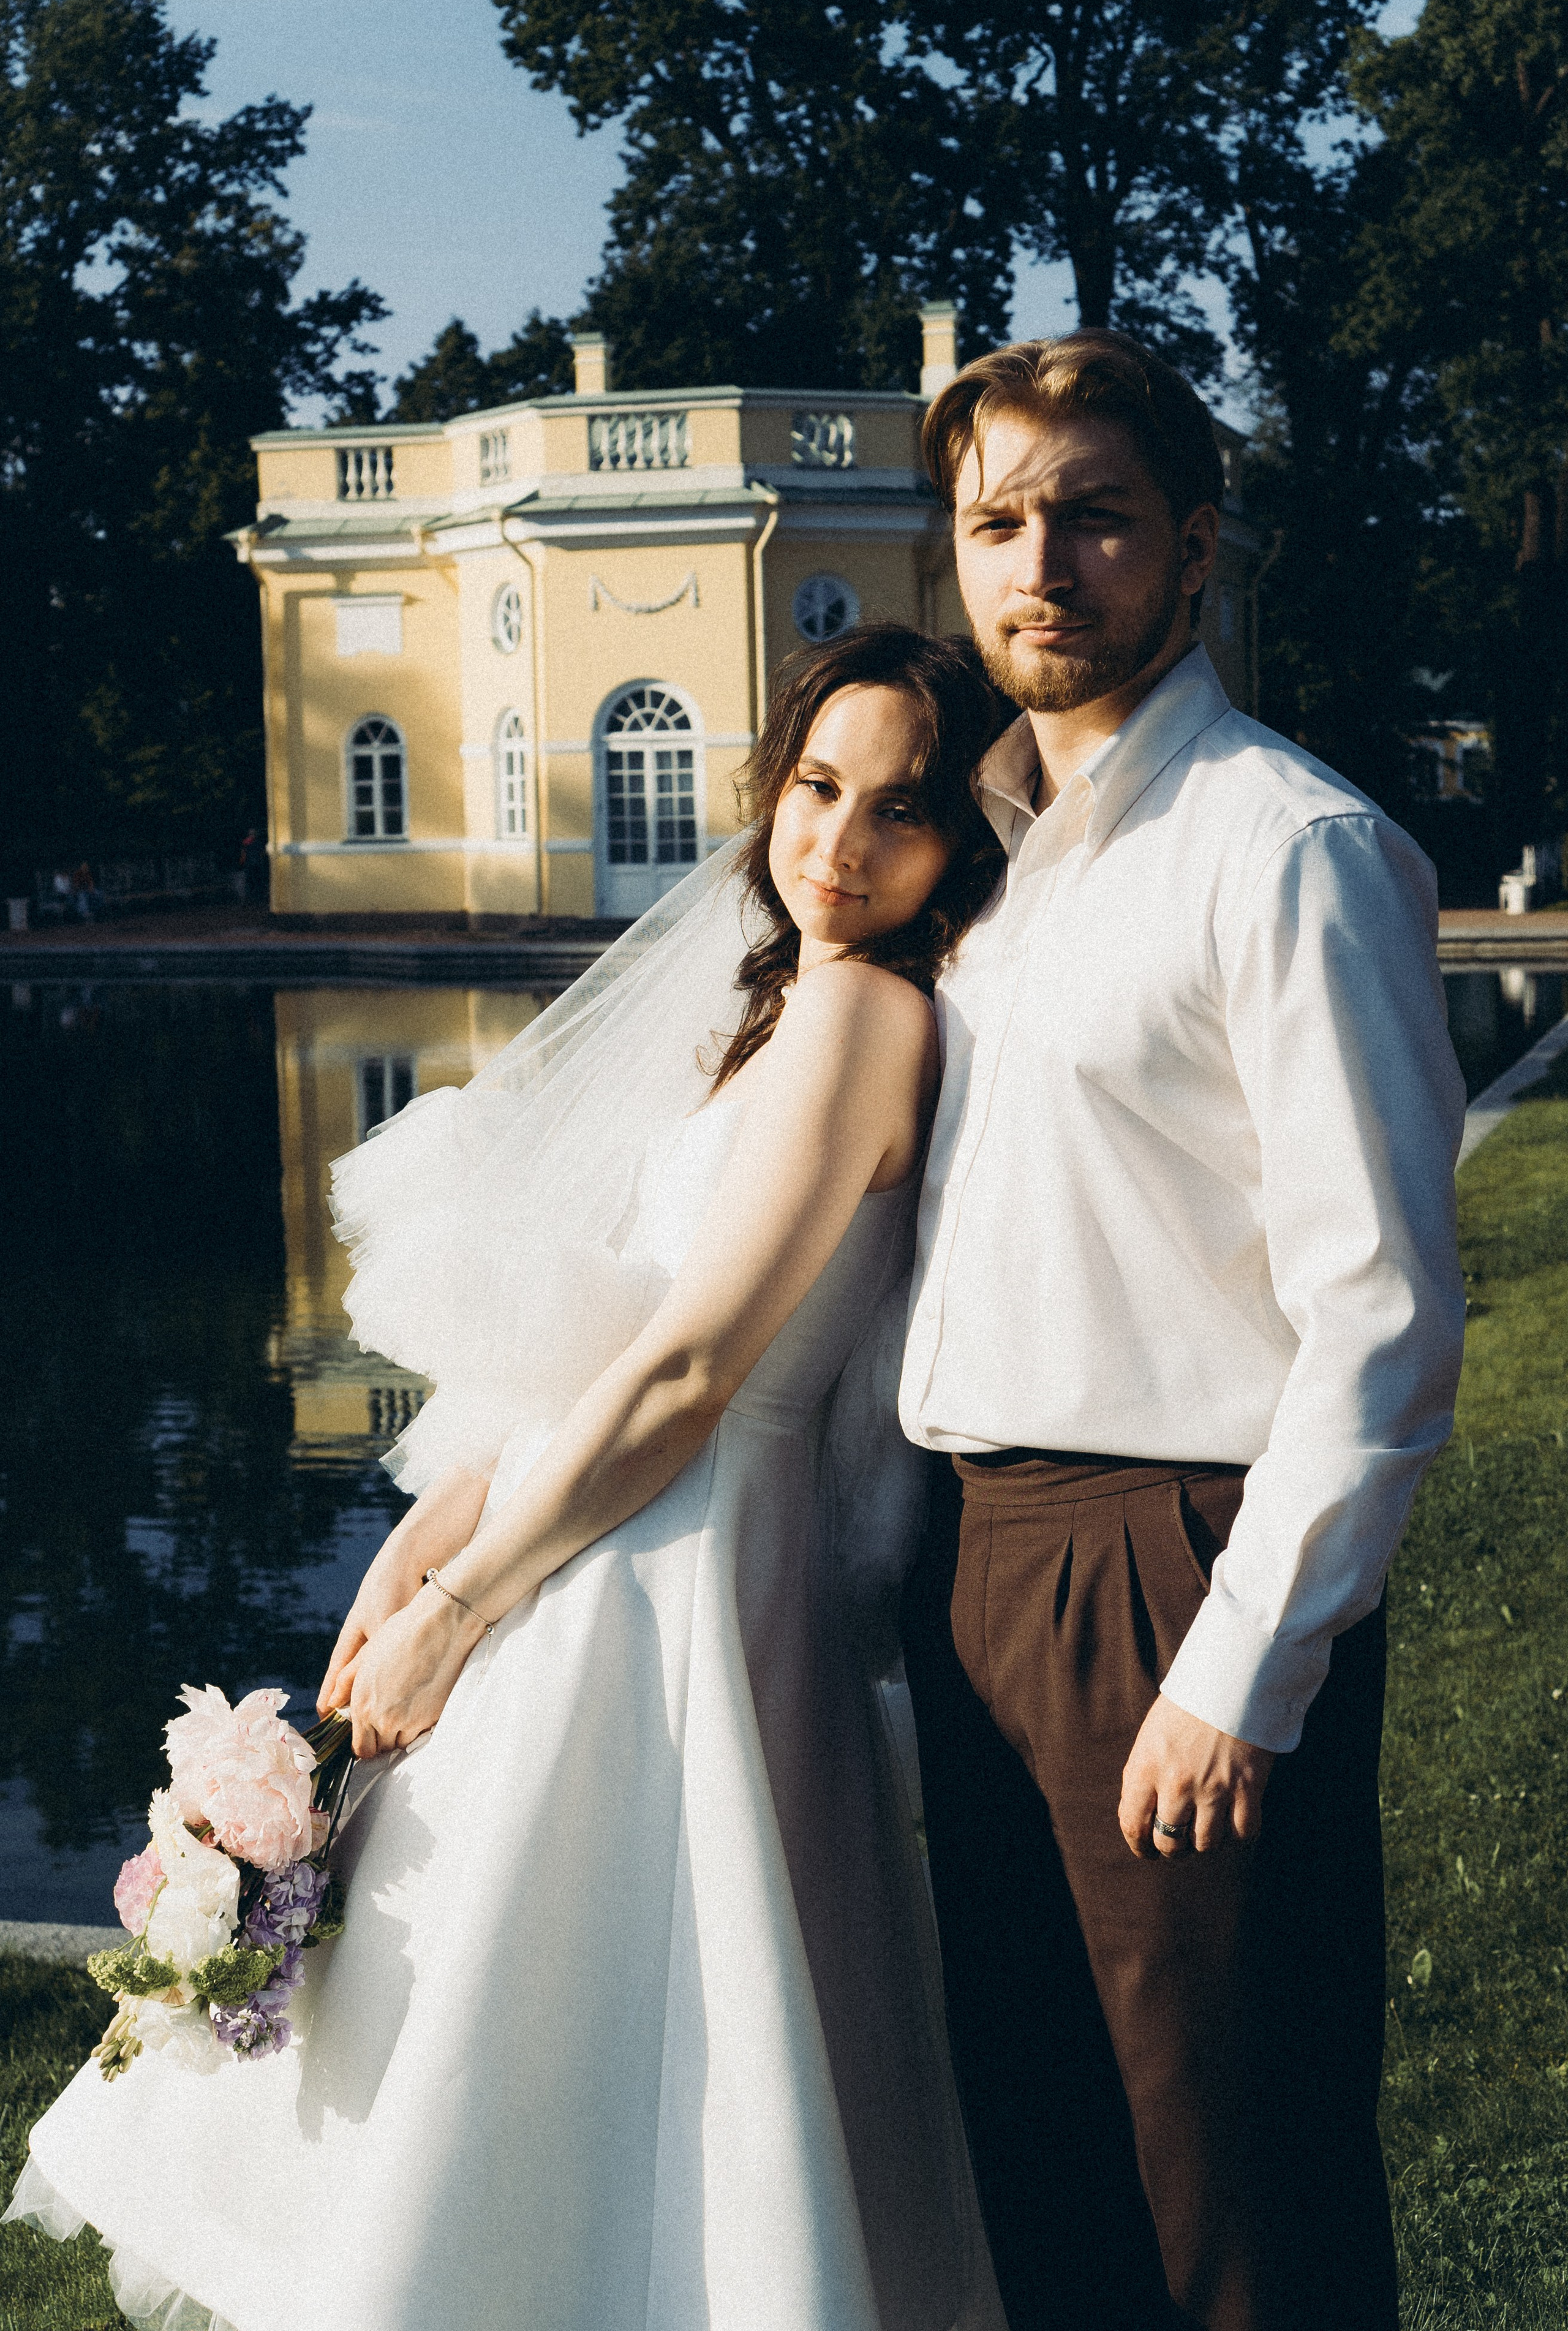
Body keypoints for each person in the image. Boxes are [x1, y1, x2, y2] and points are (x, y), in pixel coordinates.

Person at [6, 624, 1011, 2331]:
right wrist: (424, 1541)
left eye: (899, 811)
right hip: (600, 1516)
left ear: (956, 844)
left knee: (601, 2020)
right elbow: (599, 1344)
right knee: (511, 2012)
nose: (840, 845)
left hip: (681, 1560)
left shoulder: (862, 1014)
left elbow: (696, 1374)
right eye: (819, 788)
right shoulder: (770, 1016)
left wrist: (462, 1604)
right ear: (773, 786)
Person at [898, 330, 1468, 2331]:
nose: (1041, 562)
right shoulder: (995, 857)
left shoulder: (1284, 851)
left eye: (1096, 518)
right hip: (977, 1560)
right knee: (1045, 2160)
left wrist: (1243, 1660)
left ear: (1195, 547)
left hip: (1171, 1564)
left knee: (1231, 2182)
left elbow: (1384, 1311)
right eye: (997, 522)